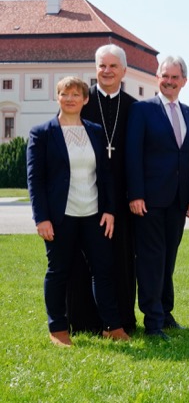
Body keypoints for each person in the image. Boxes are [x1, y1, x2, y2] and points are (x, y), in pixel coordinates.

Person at [27, 76, 129, 346]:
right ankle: (58, 329)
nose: (70, 99)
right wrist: (41, 218)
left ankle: (112, 326)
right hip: (60, 217)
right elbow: (35, 180)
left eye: (75, 94)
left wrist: (109, 210)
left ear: (85, 99)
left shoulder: (95, 131)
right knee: (58, 271)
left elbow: (105, 174)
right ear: (57, 97)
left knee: (103, 270)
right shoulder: (42, 133)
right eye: (64, 94)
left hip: (94, 214)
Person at [127, 56, 189, 340]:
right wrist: (136, 194)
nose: (169, 82)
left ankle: (166, 313)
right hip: (148, 201)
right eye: (164, 76)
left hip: (178, 201)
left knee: (169, 259)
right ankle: (153, 322)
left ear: (184, 81)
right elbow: (133, 154)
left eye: (174, 77)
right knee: (151, 261)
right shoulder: (141, 110)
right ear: (157, 78)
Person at [67, 44, 138, 335]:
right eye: (101, 66)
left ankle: (122, 319)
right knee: (83, 258)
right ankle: (84, 321)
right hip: (85, 193)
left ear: (124, 70)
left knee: (121, 258)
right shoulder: (81, 103)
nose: (106, 71)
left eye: (112, 66)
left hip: (122, 197)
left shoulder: (134, 107)